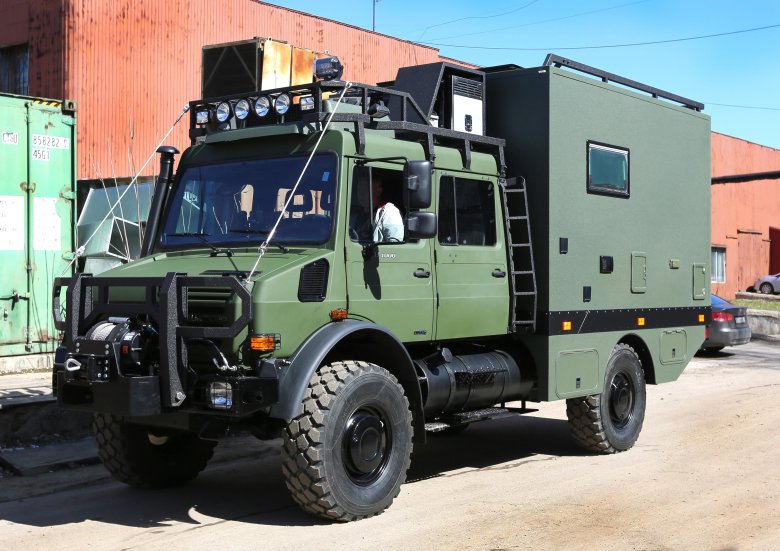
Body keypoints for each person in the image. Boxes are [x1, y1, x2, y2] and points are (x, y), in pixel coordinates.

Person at [372, 177, 404, 243]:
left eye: (365, 187)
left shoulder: (390, 212)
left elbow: (394, 249)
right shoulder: (357, 214)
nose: (360, 191)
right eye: (359, 188)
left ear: (379, 191)